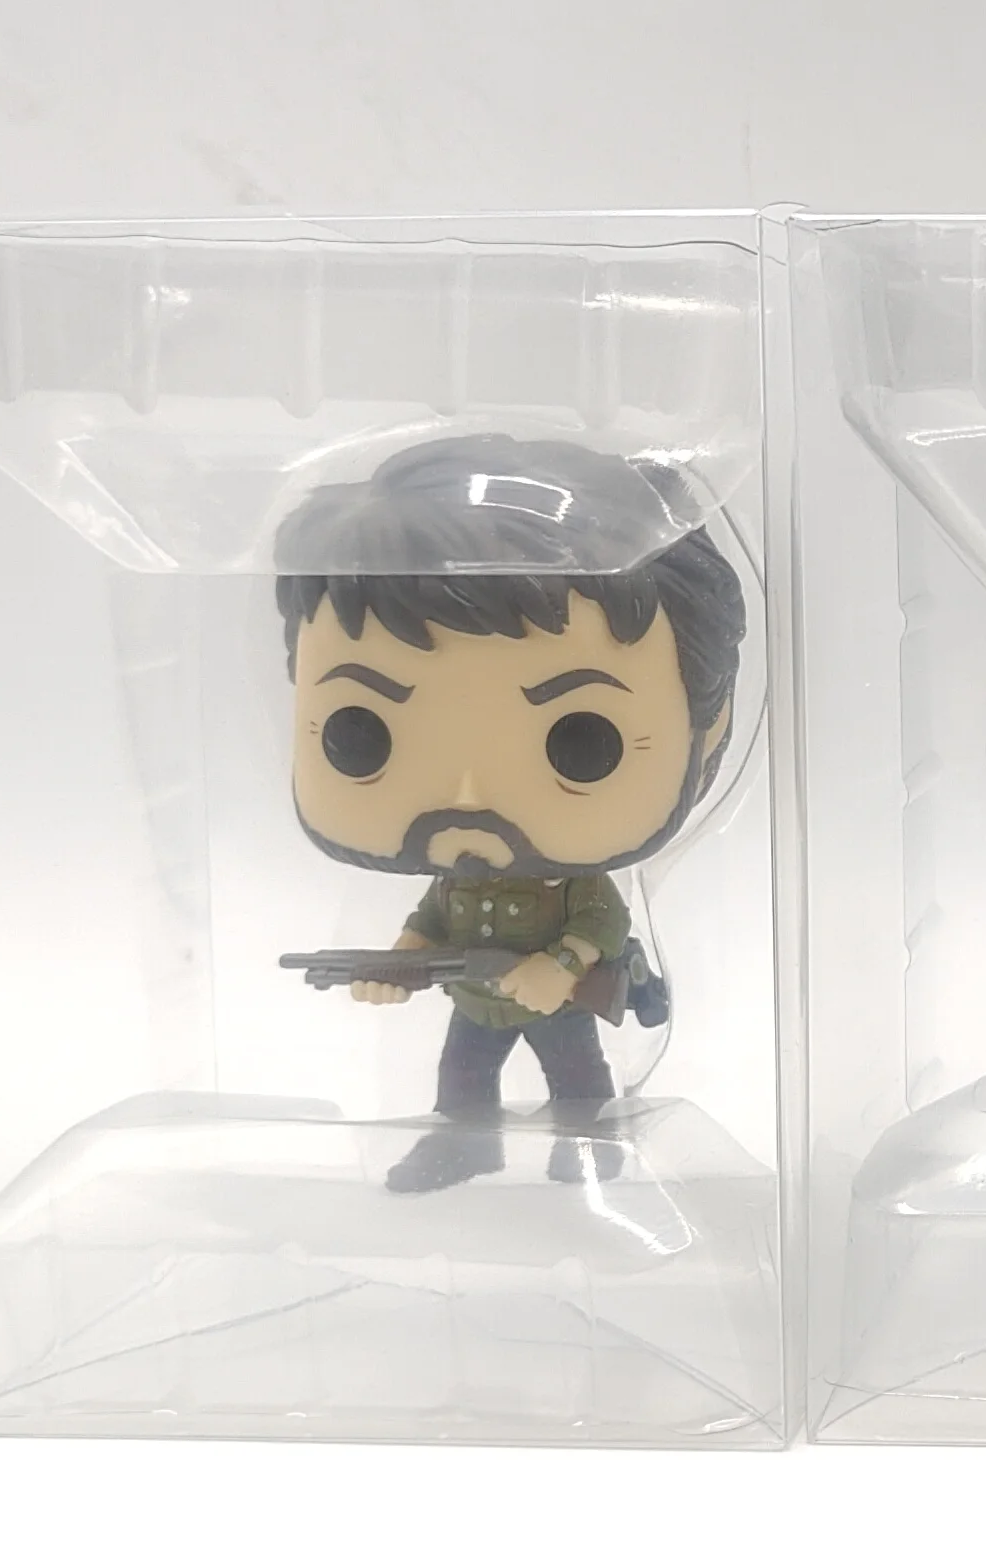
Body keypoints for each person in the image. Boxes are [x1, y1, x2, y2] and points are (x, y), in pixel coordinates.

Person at [275, 434, 747, 1192]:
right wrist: (397, 965)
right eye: (358, 733)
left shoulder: (574, 884)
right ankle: (463, 1148)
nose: (467, 797)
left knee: (579, 1082)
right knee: (462, 1080)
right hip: (477, 1004)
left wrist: (559, 968)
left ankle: (591, 1153)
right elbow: (432, 919)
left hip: (552, 1000)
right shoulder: (457, 881)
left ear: (709, 725)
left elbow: (602, 921)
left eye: (582, 741)